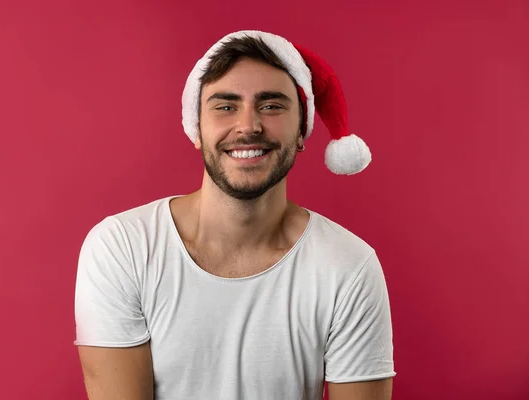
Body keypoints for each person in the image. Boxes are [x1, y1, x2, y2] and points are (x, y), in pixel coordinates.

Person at [74, 30, 395, 400]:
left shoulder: (348, 266)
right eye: (225, 106)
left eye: (272, 105)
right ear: (197, 129)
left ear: (302, 131)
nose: (248, 126)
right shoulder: (122, 248)